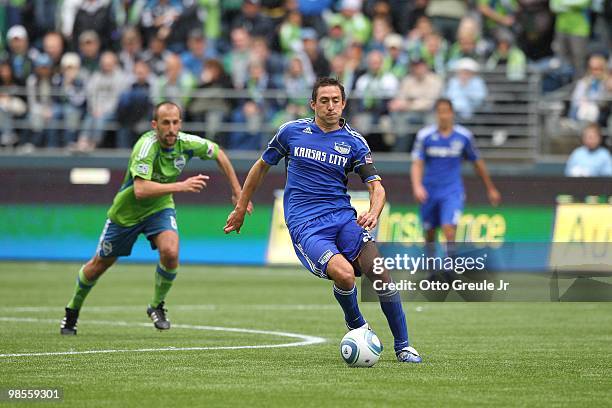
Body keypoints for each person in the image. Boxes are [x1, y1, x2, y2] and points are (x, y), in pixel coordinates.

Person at [224, 77, 422, 363]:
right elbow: (261, 167)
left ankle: (403, 346)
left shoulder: (354, 142)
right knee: (343, 273)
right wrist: (241, 206)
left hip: (343, 220)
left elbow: (376, 187)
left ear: (343, 104)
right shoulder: (291, 133)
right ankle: (357, 327)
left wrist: (373, 212)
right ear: (313, 104)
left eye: (336, 101)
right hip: (306, 225)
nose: (330, 107)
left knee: (380, 273)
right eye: (324, 101)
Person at [60, 101, 252, 335]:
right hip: (126, 214)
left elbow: (218, 153)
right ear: (155, 125)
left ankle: (156, 305)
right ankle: (72, 311)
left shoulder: (186, 143)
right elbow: (140, 190)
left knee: (171, 252)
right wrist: (181, 186)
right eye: (165, 123)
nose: (171, 128)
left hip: (159, 209)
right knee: (97, 267)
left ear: (180, 123)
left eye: (175, 122)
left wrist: (237, 192)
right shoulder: (145, 147)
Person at [411, 98, 501, 249]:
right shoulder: (424, 136)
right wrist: (417, 186)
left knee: (449, 230)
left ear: (452, 113)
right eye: (440, 112)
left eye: (446, 112)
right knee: (430, 233)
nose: (443, 116)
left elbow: (477, 163)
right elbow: (417, 164)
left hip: (452, 190)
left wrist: (490, 188)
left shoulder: (464, 136)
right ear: (436, 114)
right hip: (429, 191)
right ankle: (431, 267)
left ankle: (449, 268)